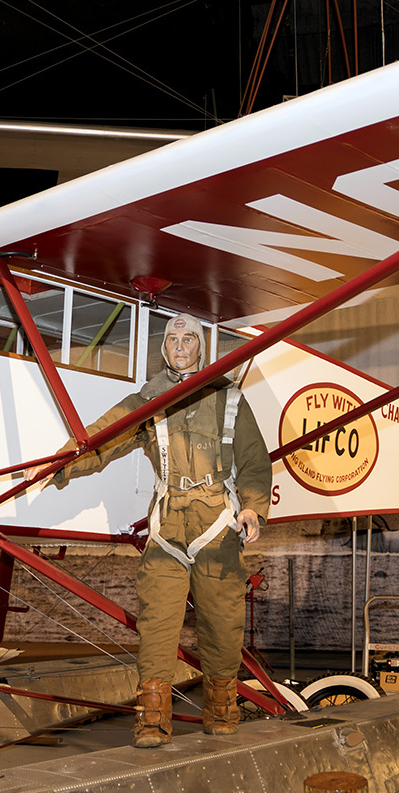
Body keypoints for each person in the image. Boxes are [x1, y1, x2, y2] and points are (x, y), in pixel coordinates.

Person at [52, 314, 271, 747]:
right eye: (173, 338)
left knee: (223, 622)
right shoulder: (149, 398)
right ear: (164, 346)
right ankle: (152, 719)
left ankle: (222, 710)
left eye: (189, 338)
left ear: (200, 347)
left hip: (218, 525)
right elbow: (104, 438)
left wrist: (253, 509)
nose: (181, 345)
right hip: (168, 524)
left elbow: (254, 461)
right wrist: (61, 464)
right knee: (156, 624)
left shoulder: (228, 398)